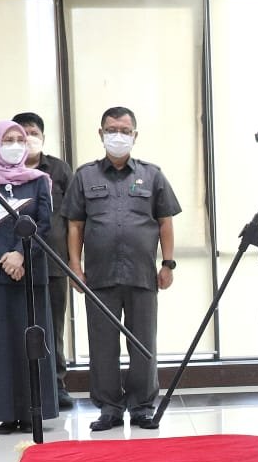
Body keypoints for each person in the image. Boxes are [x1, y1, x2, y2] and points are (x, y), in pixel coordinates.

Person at [64, 106, 181, 431]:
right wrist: (75, 264)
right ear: (101, 134)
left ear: (135, 135)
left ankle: (142, 406)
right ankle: (110, 408)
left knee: (143, 342)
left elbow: (165, 221)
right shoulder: (84, 175)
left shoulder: (152, 174)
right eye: (111, 129)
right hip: (98, 277)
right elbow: (75, 225)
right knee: (103, 345)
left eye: (124, 130)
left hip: (142, 274)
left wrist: (168, 263)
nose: (118, 135)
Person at [0, 120, 57, 434]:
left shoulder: (38, 181)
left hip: (30, 269)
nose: (17, 143)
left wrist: (20, 252)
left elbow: (44, 222)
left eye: (20, 138)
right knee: (0, 346)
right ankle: (5, 411)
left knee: (30, 342)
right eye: (8, 139)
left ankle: (35, 410)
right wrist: (2, 256)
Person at [13, 111, 76, 410]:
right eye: (21, 133)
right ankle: (24, 388)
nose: (28, 138)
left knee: (53, 326)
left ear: (43, 137)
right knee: (21, 325)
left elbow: (75, 217)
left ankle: (57, 383)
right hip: (15, 265)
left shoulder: (59, 169)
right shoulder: (6, 171)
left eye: (33, 133)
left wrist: (75, 262)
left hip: (52, 262)